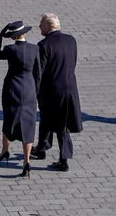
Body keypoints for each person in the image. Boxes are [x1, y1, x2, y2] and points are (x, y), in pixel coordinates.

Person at [31, 13, 82, 172]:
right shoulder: (71, 40)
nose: (39, 26)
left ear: (49, 26)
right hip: (70, 88)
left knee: (57, 124)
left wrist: (35, 91)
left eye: (41, 24)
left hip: (51, 91)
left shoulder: (43, 45)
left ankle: (63, 159)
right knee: (50, 120)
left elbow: (40, 71)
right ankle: (42, 148)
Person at [0, 21, 41, 178]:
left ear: (13, 36)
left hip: (11, 88)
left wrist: (1, 34)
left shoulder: (10, 49)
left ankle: (4, 151)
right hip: (29, 89)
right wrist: (36, 91)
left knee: (9, 118)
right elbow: (38, 73)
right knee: (28, 125)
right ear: (24, 33)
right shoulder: (35, 49)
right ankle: (26, 162)